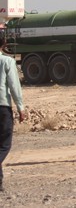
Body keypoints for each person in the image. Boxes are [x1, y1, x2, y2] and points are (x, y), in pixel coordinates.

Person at [0, 36, 27, 192]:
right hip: (2, 106)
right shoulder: (7, 61)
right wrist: (20, 107)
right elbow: (14, 85)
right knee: (5, 144)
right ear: (4, 44)